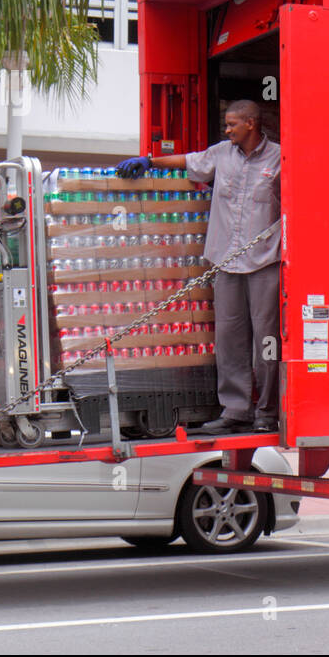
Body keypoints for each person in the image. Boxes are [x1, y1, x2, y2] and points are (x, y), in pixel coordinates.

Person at [116, 99, 279, 434]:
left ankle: (267, 411)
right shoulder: (221, 154)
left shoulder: (279, 158)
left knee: (266, 341)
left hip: (264, 263)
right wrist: (149, 161)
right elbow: (188, 160)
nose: (227, 129)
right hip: (226, 262)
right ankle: (236, 410)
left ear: (251, 123)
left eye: (232, 124)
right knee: (230, 340)